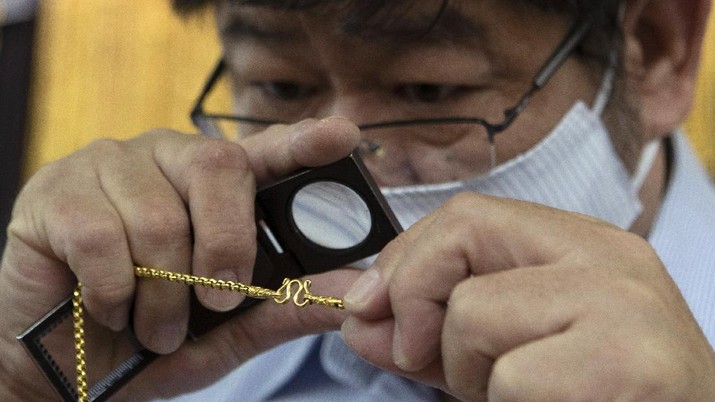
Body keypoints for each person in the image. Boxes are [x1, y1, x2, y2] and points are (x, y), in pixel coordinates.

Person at [2, 0, 714, 400]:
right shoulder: (138, 351)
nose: (341, 163)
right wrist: (21, 385)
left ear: (655, 54)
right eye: (280, 87)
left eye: (429, 90)